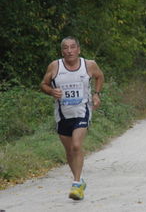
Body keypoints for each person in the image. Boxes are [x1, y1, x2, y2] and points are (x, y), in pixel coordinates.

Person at [40, 36, 104, 200]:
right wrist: (51, 91)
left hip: (82, 111)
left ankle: (76, 184)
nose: (69, 51)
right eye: (66, 48)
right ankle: (80, 180)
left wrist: (96, 94)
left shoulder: (88, 65)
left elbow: (99, 76)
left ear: (78, 49)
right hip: (62, 114)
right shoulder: (55, 66)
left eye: (72, 47)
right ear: (62, 51)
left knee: (76, 145)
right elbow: (43, 84)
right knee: (69, 151)